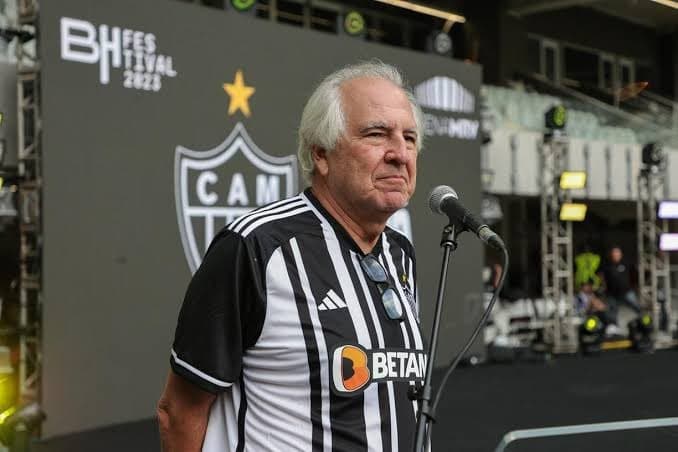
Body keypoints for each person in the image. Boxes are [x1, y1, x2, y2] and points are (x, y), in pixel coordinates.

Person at [157, 61, 426, 452]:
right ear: (321, 153)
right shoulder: (255, 248)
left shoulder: (400, 254)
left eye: (410, 138)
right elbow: (179, 411)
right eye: (376, 134)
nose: (400, 154)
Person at [600, 245, 640, 326]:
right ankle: (613, 327)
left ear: (620, 254)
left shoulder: (626, 263)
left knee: (636, 306)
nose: (616, 255)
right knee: (612, 311)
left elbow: (634, 274)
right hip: (612, 293)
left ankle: (642, 322)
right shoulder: (607, 265)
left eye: (617, 253)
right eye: (614, 253)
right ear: (611, 255)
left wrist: (635, 286)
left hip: (626, 291)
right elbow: (602, 277)